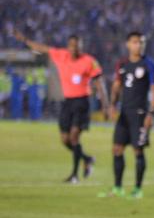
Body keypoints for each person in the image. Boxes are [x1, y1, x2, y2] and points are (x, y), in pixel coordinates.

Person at [13, 30, 108, 183]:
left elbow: (99, 82)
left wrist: (105, 104)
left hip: (82, 102)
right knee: (65, 139)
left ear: (81, 47)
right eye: (71, 46)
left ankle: (75, 175)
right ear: (68, 46)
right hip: (68, 102)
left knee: (74, 136)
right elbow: (42, 48)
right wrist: (24, 39)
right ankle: (87, 159)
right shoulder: (61, 55)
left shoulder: (89, 61)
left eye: (77, 46)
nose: (74, 49)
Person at [99, 32, 154, 199]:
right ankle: (118, 188)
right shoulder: (122, 63)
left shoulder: (149, 65)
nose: (139, 45)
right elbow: (117, 86)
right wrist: (112, 105)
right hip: (124, 114)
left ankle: (137, 189)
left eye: (141, 42)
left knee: (137, 151)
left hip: (140, 114)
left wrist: (151, 113)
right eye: (135, 42)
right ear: (128, 44)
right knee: (117, 149)